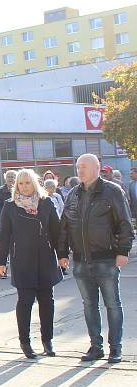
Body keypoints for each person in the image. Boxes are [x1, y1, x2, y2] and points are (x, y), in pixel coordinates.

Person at [57, 154, 134, 364]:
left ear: (96, 168)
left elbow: (124, 224)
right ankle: (96, 346)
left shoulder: (112, 191)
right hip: (81, 261)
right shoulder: (73, 194)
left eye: (83, 166)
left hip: (106, 260)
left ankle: (115, 348)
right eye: (77, 166)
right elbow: (64, 226)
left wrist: (123, 251)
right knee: (89, 305)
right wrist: (62, 253)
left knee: (113, 305)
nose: (79, 170)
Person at [0, 169, 63, 359]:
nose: (24, 187)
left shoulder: (46, 202)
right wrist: (1, 262)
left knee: (47, 301)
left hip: (45, 258)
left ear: (35, 183)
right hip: (22, 260)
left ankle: (47, 340)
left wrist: (62, 255)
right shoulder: (10, 206)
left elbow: (56, 231)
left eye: (28, 183)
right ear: (16, 186)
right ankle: (25, 342)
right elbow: (4, 236)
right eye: (20, 183)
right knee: (25, 302)